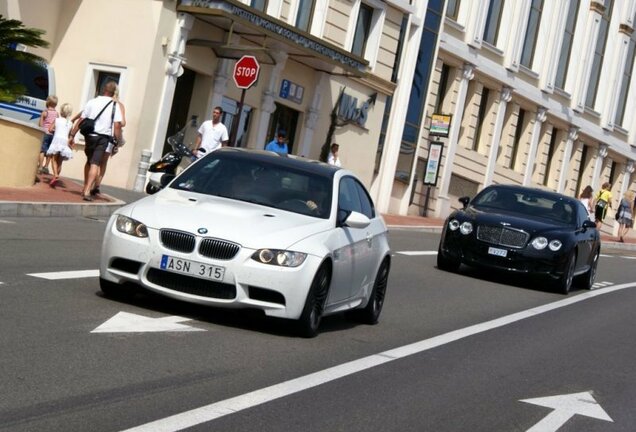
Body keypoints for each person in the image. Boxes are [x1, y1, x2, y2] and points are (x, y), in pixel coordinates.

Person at [69, 80, 123, 201]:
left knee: (89, 161)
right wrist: (117, 141)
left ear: (104, 89)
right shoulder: (115, 106)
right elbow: (118, 126)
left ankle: (85, 186)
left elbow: (81, 120)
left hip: (89, 136)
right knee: (95, 163)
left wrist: (72, 135)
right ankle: (87, 190)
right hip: (103, 137)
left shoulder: (92, 102)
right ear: (114, 92)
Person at [91, 85, 127, 196]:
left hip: (98, 134)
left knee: (95, 160)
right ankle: (96, 185)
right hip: (110, 137)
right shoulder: (119, 105)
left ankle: (91, 184)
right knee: (103, 162)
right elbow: (123, 123)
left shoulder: (100, 101)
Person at [45, 103, 74, 188]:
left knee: (54, 159)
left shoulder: (57, 120)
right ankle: (55, 177)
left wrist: (55, 131)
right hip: (64, 142)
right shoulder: (70, 123)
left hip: (57, 140)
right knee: (60, 161)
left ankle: (55, 175)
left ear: (61, 111)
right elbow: (69, 135)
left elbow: (50, 129)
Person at [38, 95, 59, 174]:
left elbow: (40, 124)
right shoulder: (57, 114)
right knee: (50, 151)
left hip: (45, 133)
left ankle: (40, 166)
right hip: (52, 134)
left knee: (42, 150)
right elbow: (57, 124)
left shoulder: (45, 112)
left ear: (47, 102)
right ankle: (46, 167)